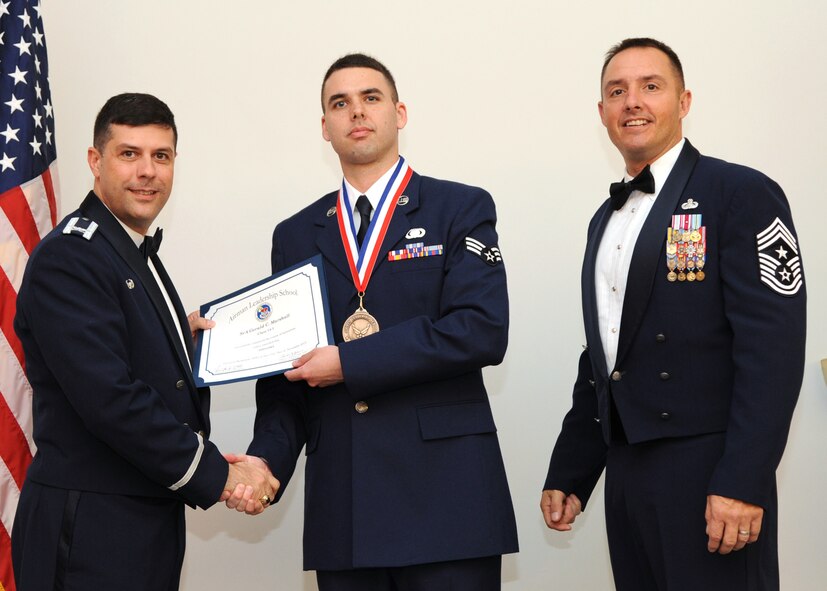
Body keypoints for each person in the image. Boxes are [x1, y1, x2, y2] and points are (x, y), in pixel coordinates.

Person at [224, 53, 518, 590]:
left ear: (399, 113)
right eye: (340, 103)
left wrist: (349, 362)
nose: (356, 112)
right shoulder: (295, 233)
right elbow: (286, 370)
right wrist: (265, 463)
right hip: (346, 506)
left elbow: (481, 329)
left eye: (371, 98)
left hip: (447, 503)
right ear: (325, 127)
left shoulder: (459, 207)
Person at [540, 38, 806, 591]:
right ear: (602, 114)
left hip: (711, 471)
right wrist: (573, 469)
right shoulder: (603, 219)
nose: (632, 102)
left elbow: (773, 352)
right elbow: (607, 351)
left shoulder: (740, 192)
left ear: (684, 101)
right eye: (617, 91)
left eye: (650, 87)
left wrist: (743, 479)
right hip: (628, 472)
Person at [11, 93, 278, 591]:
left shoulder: (130, 249)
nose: (147, 171)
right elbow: (111, 398)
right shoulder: (72, 257)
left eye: (161, 156)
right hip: (88, 528)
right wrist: (219, 475)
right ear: (96, 161)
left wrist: (181, 339)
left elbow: (131, 358)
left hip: (135, 519)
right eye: (129, 153)